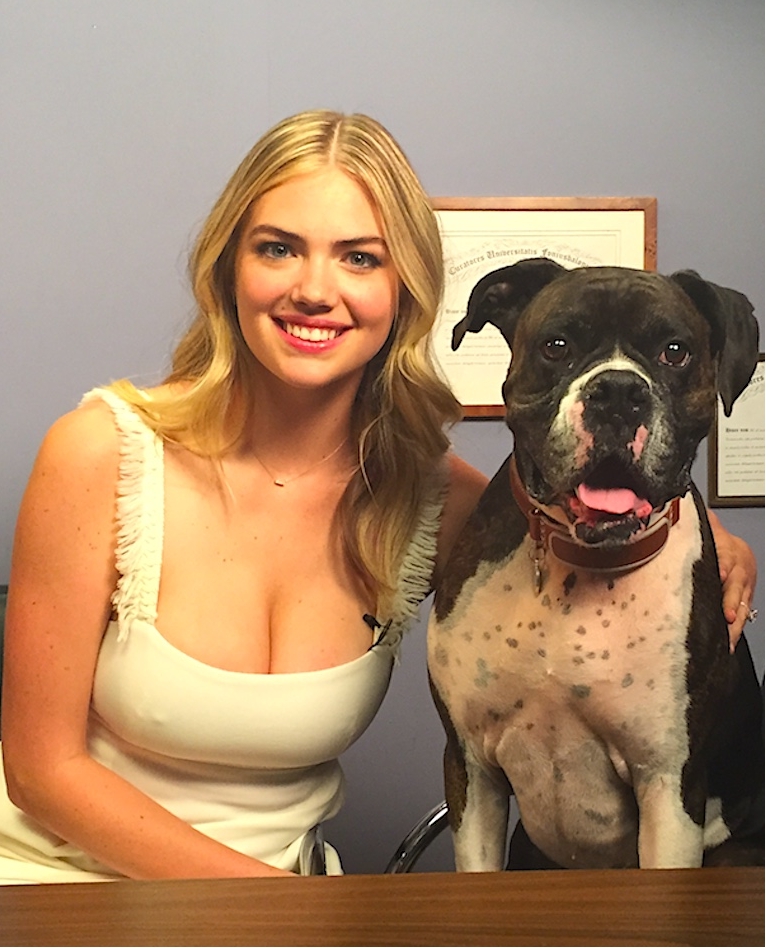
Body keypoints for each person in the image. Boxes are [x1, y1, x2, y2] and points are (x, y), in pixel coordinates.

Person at [0, 110, 757, 884]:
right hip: (66, 892)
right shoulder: (102, 452)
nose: (313, 290)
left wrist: (707, 535)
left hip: (288, 906)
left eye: (359, 258)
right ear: (228, 268)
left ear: (404, 291)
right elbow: (39, 772)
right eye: (278, 248)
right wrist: (287, 911)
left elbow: (570, 508)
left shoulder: (424, 495)